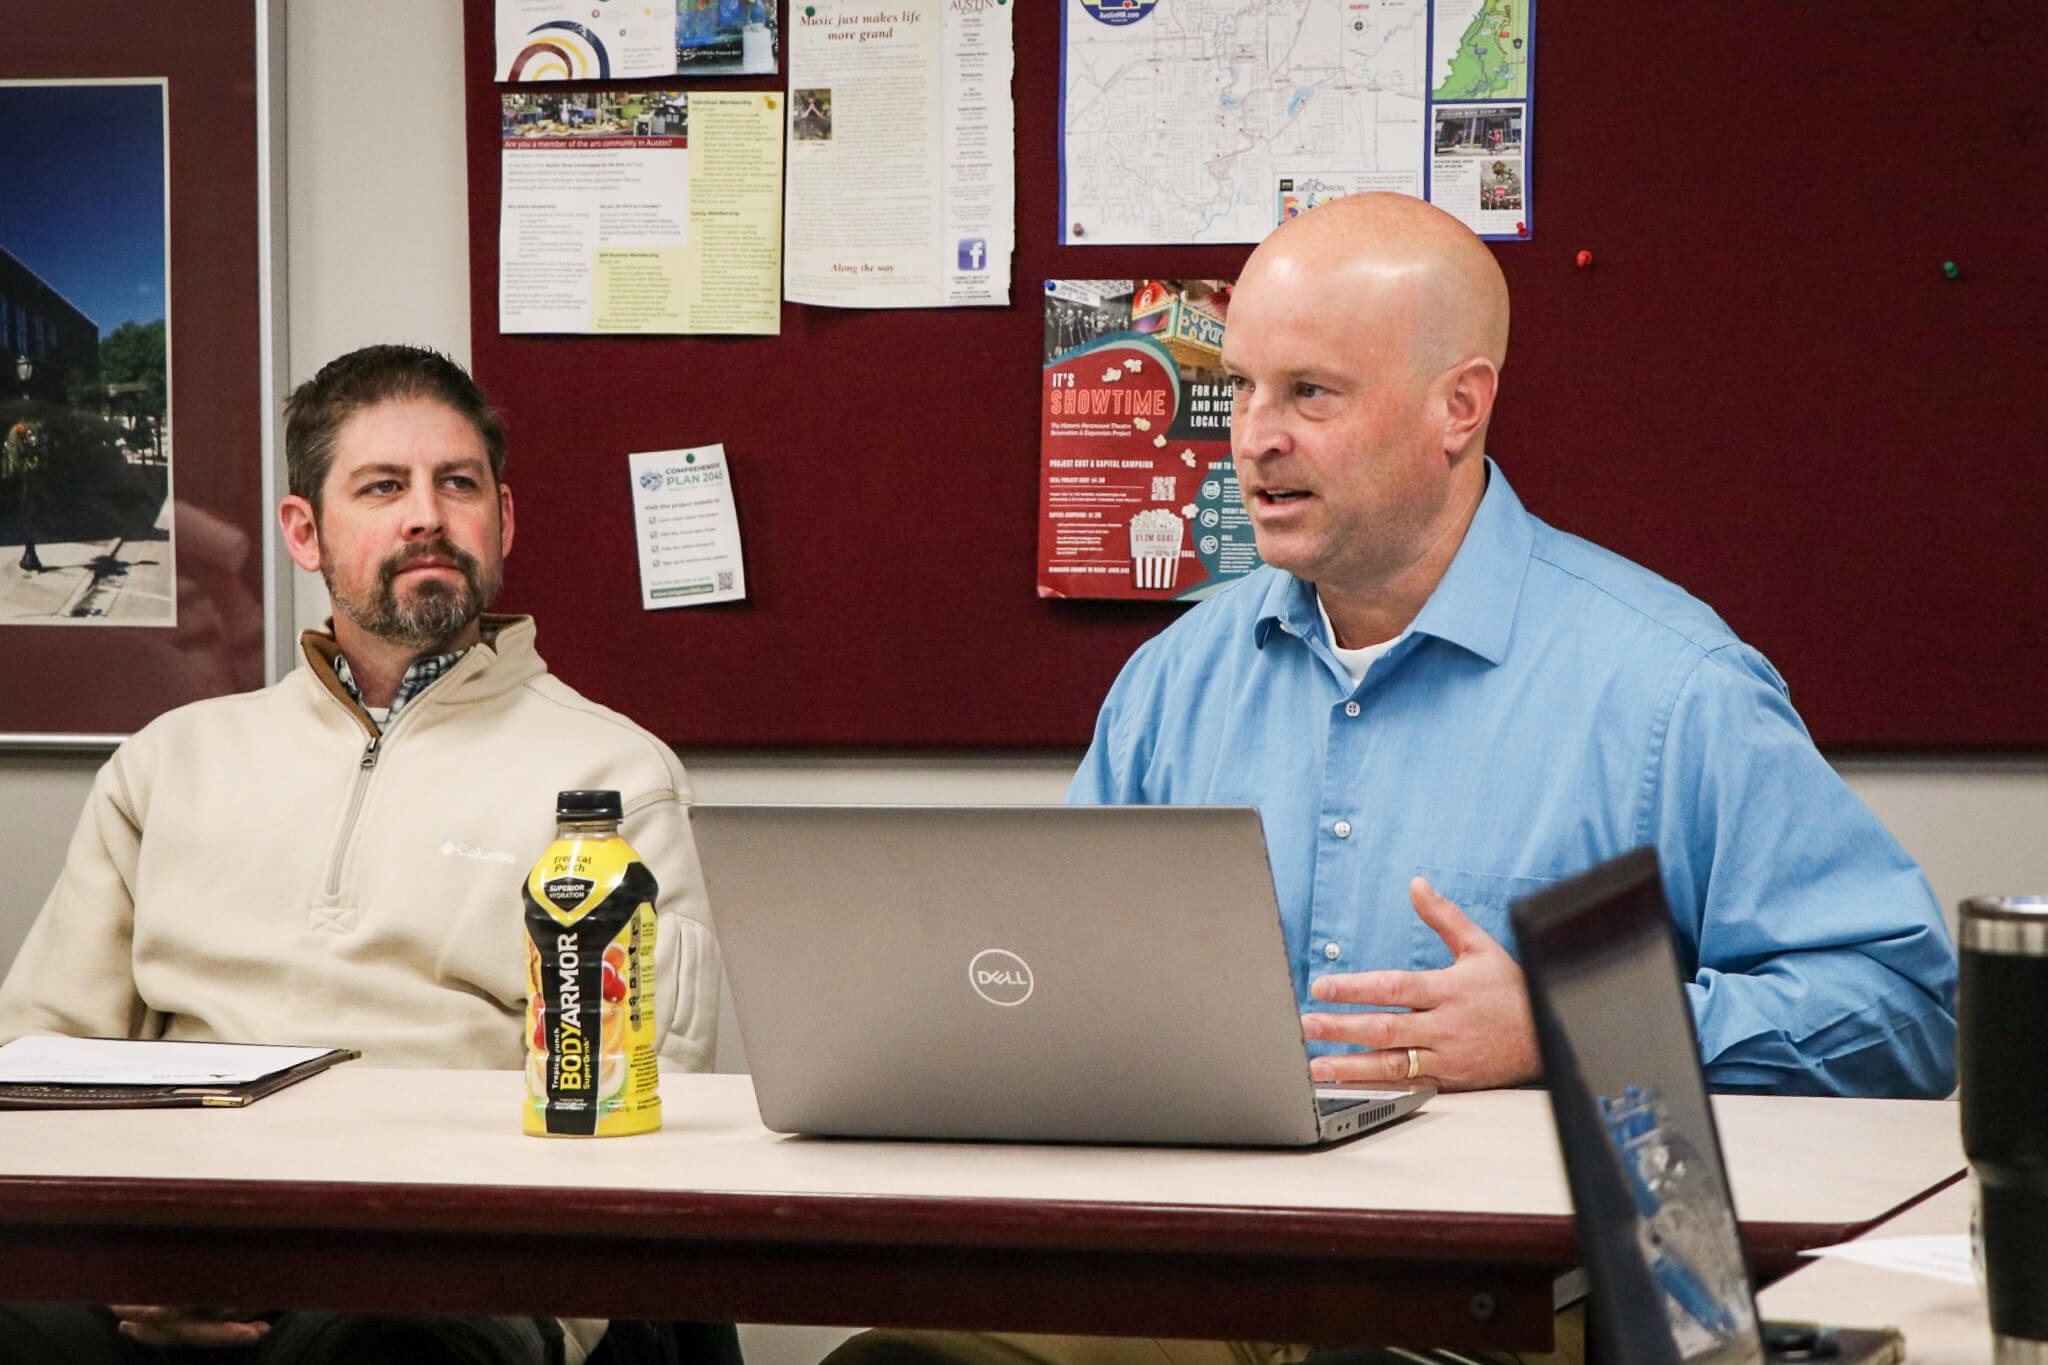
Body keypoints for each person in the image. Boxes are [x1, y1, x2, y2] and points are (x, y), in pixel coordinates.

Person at [821, 192, 1956, 1365]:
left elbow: (1901, 1009)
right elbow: (1059, 991)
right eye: (1242, 387)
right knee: (893, 1361)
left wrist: (1567, 1031)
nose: (1252, 437)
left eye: (1309, 394)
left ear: (1455, 407)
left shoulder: (1668, 690)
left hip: (1534, 1296)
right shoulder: (1175, 684)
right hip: (1209, 1276)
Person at [0, 344, 721, 1365]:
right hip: (169, 1249)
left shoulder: (611, 778)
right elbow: (36, 1071)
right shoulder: (169, 762)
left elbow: (647, 1103)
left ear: (501, 522)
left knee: (391, 1346)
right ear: (305, 531)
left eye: (456, 484)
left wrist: (524, 1299)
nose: (425, 514)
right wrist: (123, 1270)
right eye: (382, 487)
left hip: (450, 1260)